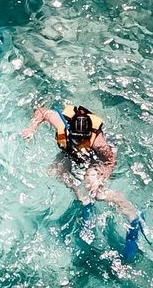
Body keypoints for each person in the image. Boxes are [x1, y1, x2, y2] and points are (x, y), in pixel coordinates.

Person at [22, 104, 144, 260]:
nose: (79, 142)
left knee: (95, 190)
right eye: (75, 138)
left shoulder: (99, 143)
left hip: (97, 157)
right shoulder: (62, 125)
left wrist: (101, 178)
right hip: (72, 153)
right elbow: (43, 111)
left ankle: (133, 213)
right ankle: (83, 198)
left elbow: (110, 161)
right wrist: (31, 128)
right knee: (54, 171)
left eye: (82, 140)